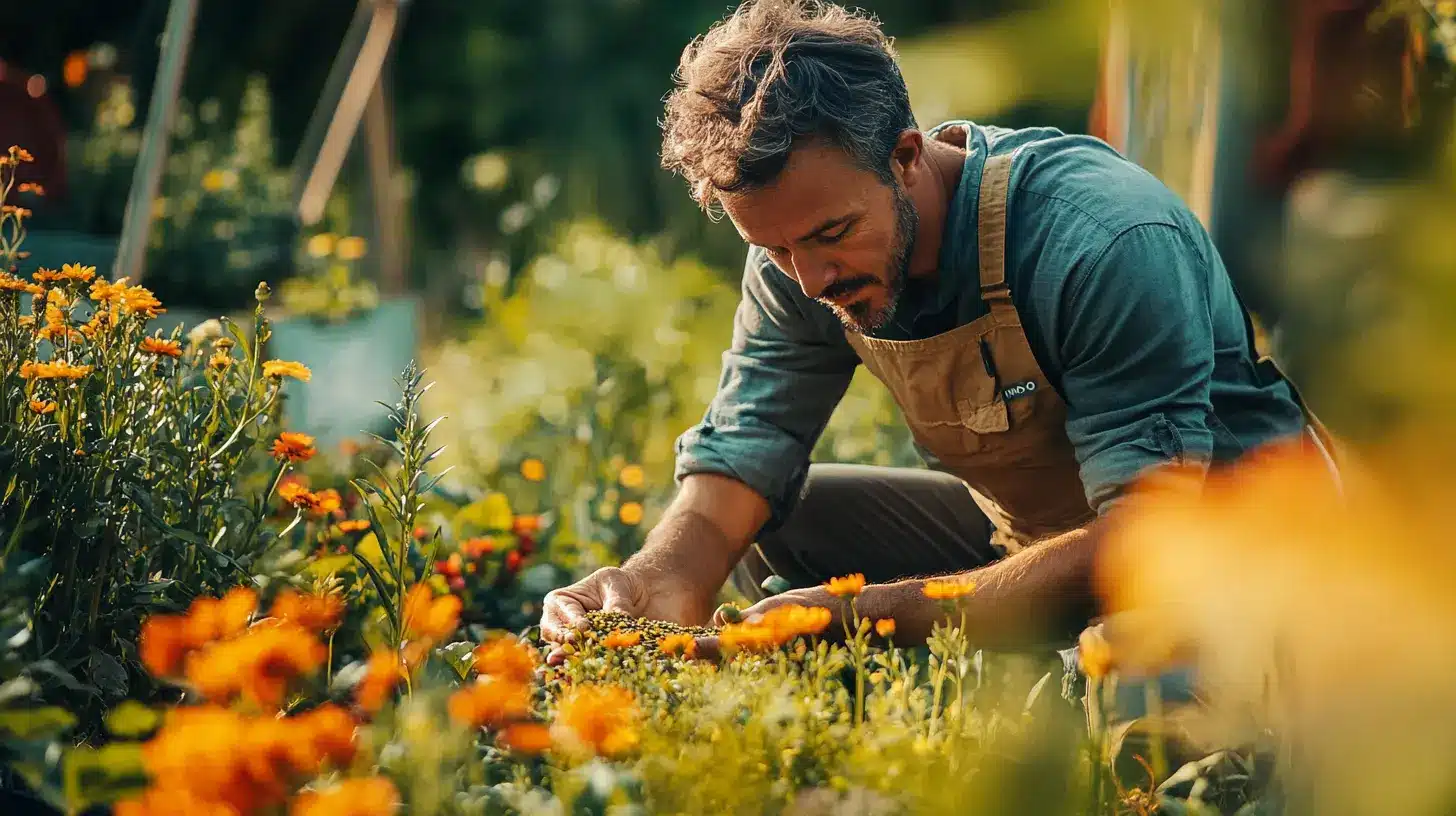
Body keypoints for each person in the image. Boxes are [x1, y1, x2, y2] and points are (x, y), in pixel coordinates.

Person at [539, 0, 1338, 662]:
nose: (809, 278)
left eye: (829, 234)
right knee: (779, 526)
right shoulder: (799, 257)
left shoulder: (1097, 240)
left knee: (1143, 683)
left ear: (907, 155)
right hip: (1034, 539)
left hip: (1232, 549)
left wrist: (878, 614)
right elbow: (740, 460)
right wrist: (653, 580)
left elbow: (1147, 542)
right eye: (775, 249)